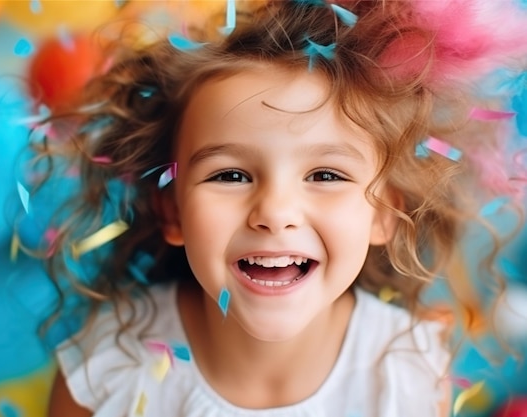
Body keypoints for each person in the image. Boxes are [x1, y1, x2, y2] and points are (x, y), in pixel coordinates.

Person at [32, 1, 527, 416]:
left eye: (325, 176)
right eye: (230, 175)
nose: (275, 212)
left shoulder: (406, 372)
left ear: (383, 214)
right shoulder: (107, 366)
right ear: (173, 212)